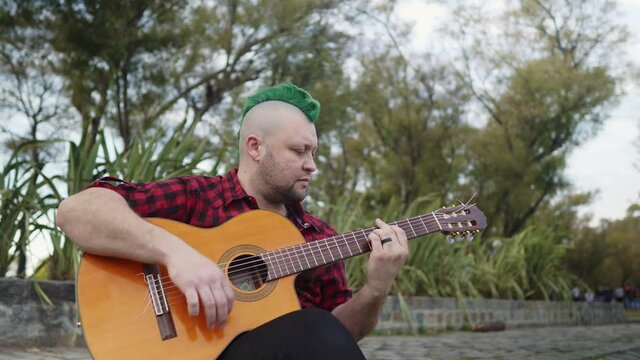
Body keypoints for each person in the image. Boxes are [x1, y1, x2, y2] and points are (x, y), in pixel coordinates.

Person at [56, 83, 409, 359]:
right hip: (178, 352)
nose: (312, 164)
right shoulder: (199, 196)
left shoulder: (320, 237)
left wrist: (376, 289)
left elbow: (336, 338)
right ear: (255, 147)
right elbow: (76, 211)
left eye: (313, 152)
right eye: (299, 151)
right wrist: (176, 254)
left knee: (316, 327)